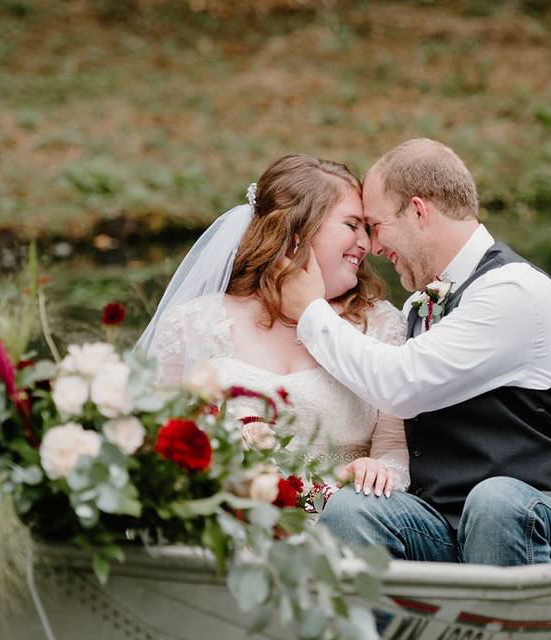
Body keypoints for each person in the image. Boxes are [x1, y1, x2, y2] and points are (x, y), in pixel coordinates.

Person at [279, 138, 551, 566]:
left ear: (417, 211)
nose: (373, 247)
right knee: (352, 510)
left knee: (494, 501)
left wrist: (312, 314)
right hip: (445, 527)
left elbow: (400, 384)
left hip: (538, 522)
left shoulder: (513, 291)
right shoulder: (423, 302)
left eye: (376, 226)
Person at [137, 154, 410, 497]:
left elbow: (395, 452)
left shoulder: (383, 325)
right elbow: (153, 441)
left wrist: (379, 470)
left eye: (367, 229)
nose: (366, 244)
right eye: (352, 225)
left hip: (343, 523)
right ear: (298, 230)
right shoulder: (193, 323)